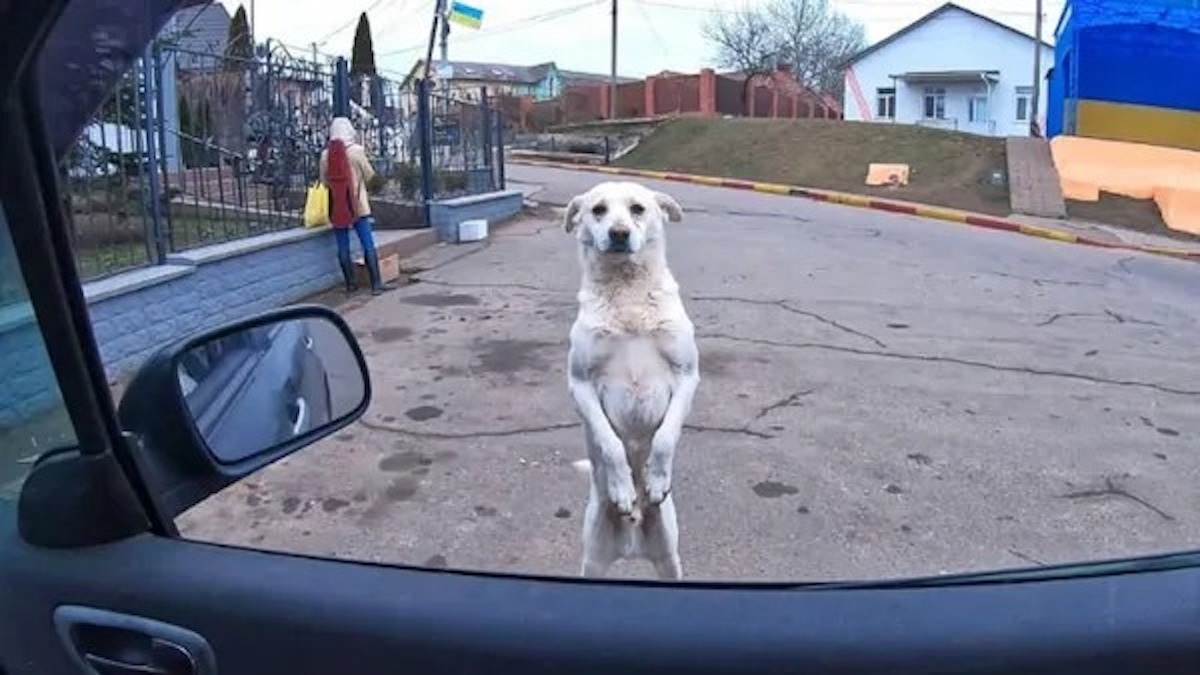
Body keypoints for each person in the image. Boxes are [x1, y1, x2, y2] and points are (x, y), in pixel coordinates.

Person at [319, 117, 391, 295]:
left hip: (338, 206)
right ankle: (376, 285)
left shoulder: (325, 155)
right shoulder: (357, 151)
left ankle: (350, 285)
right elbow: (369, 175)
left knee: (342, 245)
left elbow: (324, 181)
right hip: (358, 204)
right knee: (367, 243)